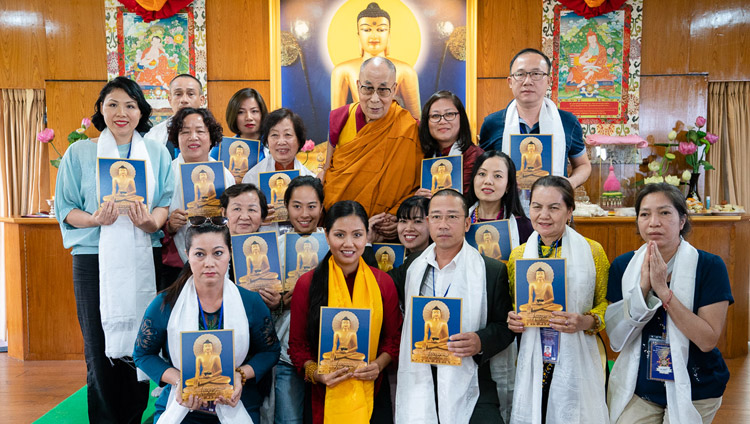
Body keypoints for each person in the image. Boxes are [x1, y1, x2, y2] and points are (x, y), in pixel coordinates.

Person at [54, 76, 174, 423]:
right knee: (98, 347)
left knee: (143, 340)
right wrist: (95, 219)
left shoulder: (155, 152)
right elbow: (66, 209)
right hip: (94, 261)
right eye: (113, 104)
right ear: (101, 110)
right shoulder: (80, 152)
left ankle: (136, 415)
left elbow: (163, 202)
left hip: (143, 258)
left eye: (130, 105)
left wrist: (152, 223)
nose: (121, 113)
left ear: (141, 112)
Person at [605, 183, 733, 424]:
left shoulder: (709, 266)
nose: (654, 222)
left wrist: (664, 292)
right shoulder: (623, 267)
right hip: (640, 384)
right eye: (645, 214)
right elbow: (616, 338)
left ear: (682, 220)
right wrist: (643, 288)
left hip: (697, 383)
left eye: (664, 212)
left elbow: (707, 340)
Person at [133, 221, 281, 423]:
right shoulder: (166, 303)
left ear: (229, 253)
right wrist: (181, 382)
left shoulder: (250, 302)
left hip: (234, 398)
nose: (209, 263)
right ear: (187, 254)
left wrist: (240, 375)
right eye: (200, 254)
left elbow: (270, 351)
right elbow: (142, 353)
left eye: (218, 253)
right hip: (183, 402)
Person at [391, 189, 514, 423]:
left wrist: (480, 341)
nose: (443, 224)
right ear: (428, 222)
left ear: (467, 223)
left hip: (472, 376)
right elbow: (380, 287)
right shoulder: (412, 267)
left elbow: (505, 326)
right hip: (421, 375)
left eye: (452, 217)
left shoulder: (490, 270)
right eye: (436, 217)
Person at [506, 176, 609, 423]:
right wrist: (512, 319)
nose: (544, 215)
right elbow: (515, 304)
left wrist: (584, 321)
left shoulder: (593, 251)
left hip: (578, 351)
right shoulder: (519, 255)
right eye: (537, 206)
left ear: (569, 211)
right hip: (533, 353)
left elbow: (607, 304)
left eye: (554, 207)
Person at [289, 200, 402, 423]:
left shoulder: (382, 282)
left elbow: (393, 338)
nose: (348, 243)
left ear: (367, 236)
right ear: (326, 235)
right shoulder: (308, 284)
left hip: (371, 388)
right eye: (339, 235)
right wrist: (317, 374)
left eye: (357, 235)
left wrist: (378, 366)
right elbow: (298, 345)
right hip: (324, 392)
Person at [324, 56, 423, 240]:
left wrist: (400, 218)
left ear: (394, 90)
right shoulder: (341, 118)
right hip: (343, 233)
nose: (375, 99)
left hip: (391, 236)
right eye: (368, 89)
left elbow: (418, 186)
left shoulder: (410, 128)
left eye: (383, 90)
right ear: (358, 86)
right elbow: (328, 174)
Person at [260, 176, 326, 424]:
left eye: (312, 206)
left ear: (322, 207)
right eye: (297, 206)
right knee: (289, 420)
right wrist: (278, 304)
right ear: (285, 207)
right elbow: (260, 315)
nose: (304, 214)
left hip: (326, 352)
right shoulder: (272, 249)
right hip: (287, 351)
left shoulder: (334, 245)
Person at [478, 48, 591, 189]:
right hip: (506, 207)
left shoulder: (567, 122)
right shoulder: (492, 124)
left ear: (549, 81)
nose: (527, 81)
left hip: (553, 205)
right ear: (510, 82)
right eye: (520, 74)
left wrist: (569, 183)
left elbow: (583, 165)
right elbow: (480, 170)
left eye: (536, 74)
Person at [161, 107, 235, 290]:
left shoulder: (225, 175)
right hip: (177, 262)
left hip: (216, 259)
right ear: (176, 139)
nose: (193, 137)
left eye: (200, 131)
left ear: (211, 137)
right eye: (185, 132)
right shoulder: (165, 174)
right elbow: (153, 221)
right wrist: (169, 225)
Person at [330, 1, 421, 118]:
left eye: (381, 30)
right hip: (358, 133)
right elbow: (336, 121)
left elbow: (415, 120)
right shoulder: (342, 71)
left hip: (394, 133)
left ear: (389, 34)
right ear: (358, 34)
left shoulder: (405, 71)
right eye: (366, 30)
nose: (374, 36)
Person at [241, 108, 316, 223]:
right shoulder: (252, 177)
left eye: (288, 135)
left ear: (299, 140)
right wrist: (257, 218)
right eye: (274, 135)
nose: (281, 141)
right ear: (267, 140)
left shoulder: (311, 180)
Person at [418, 90, 484, 196]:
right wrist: (418, 200)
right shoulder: (421, 155)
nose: (442, 121)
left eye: (449, 114)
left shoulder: (477, 157)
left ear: (461, 118)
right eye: (435, 116)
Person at [466, 150, 534, 244]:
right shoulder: (460, 221)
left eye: (497, 176)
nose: (488, 181)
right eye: (482, 174)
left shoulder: (523, 226)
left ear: (508, 185)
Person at [144, 74, 205, 159]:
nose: (184, 100)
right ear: (170, 100)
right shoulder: (154, 135)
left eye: (190, 94)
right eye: (178, 94)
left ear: (201, 100)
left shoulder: (212, 133)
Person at [210, 88, 269, 161]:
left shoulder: (274, 146)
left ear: (262, 114)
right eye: (241, 112)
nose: (248, 117)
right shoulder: (221, 149)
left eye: (254, 111)